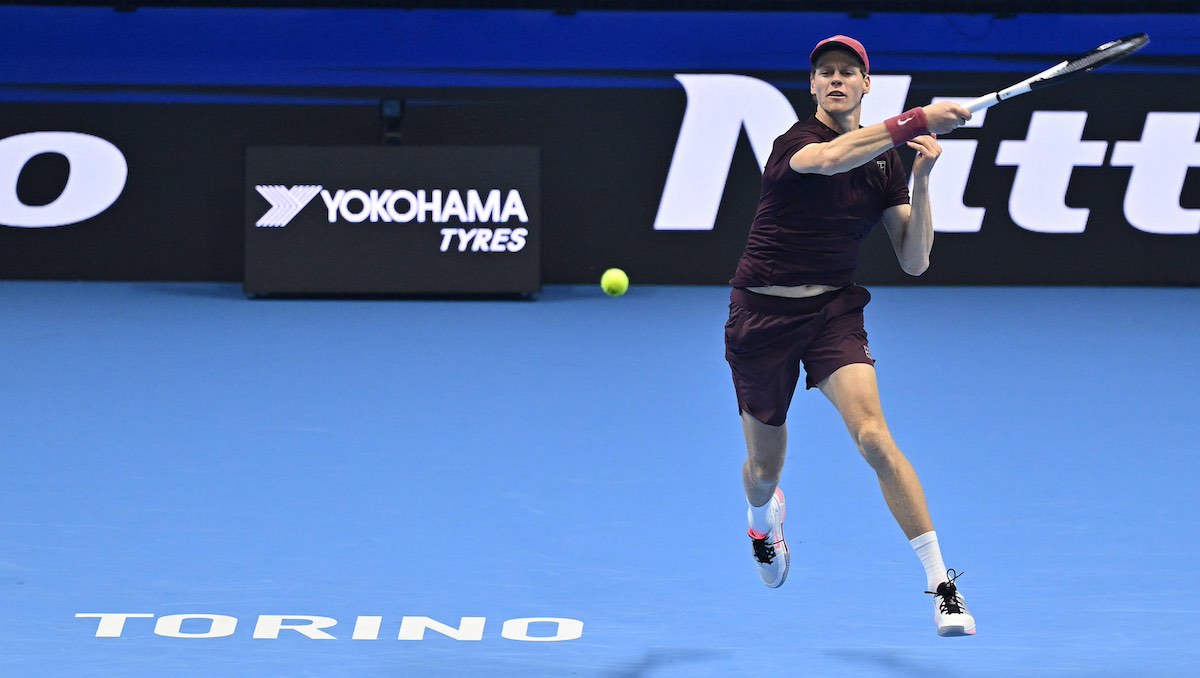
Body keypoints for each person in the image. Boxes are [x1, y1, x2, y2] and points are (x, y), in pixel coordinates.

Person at [723, 34, 976, 636]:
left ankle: (943, 588)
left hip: (833, 313)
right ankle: (762, 520)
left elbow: (915, 260)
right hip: (761, 317)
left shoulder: (886, 163)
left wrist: (921, 181)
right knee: (764, 469)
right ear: (812, 86)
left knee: (874, 439)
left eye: (847, 71)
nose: (835, 79)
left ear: (866, 84)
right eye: (825, 72)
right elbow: (834, 159)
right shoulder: (796, 144)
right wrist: (917, 118)